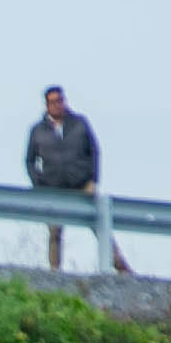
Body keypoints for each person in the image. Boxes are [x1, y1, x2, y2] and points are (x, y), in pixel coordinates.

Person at [28, 88, 102, 271]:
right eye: (53, 102)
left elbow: (94, 151)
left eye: (60, 100)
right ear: (47, 105)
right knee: (54, 231)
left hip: (81, 183)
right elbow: (30, 160)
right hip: (53, 187)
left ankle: (119, 265)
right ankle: (55, 271)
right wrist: (38, 183)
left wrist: (93, 179)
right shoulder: (38, 130)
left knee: (99, 222)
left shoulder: (79, 123)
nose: (57, 105)